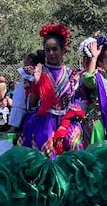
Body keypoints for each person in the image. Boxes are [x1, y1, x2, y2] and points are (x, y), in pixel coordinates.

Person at [20, 24, 85, 156]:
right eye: (47, 49)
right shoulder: (35, 72)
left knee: (74, 145)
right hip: (43, 121)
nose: (51, 53)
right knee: (43, 149)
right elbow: (30, 105)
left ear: (63, 50)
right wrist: (37, 85)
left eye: (55, 49)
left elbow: (75, 105)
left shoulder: (73, 75)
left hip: (66, 121)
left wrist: (64, 126)